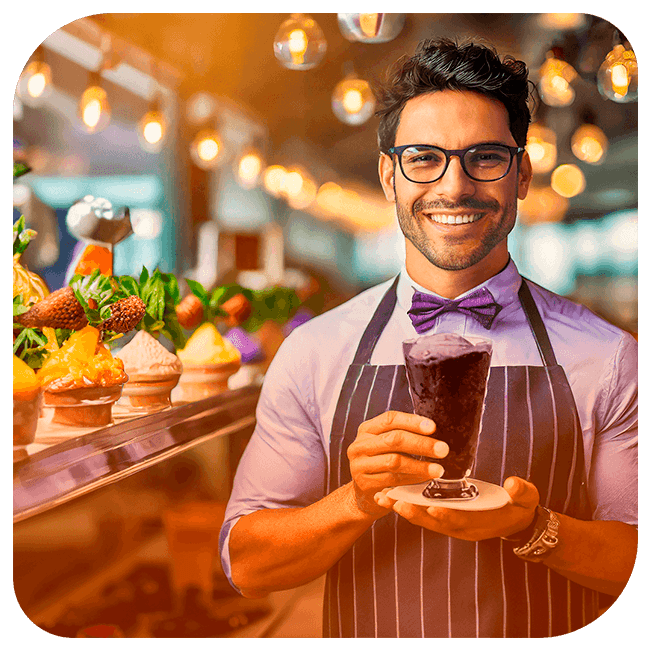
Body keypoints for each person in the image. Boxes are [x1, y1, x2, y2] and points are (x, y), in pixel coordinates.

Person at [219, 38, 637, 638]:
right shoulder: (314, 352)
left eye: (486, 158)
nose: (454, 186)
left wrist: (533, 526)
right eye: (423, 158)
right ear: (389, 176)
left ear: (521, 174)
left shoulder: (610, 357)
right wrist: (356, 501)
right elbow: (247, 562)